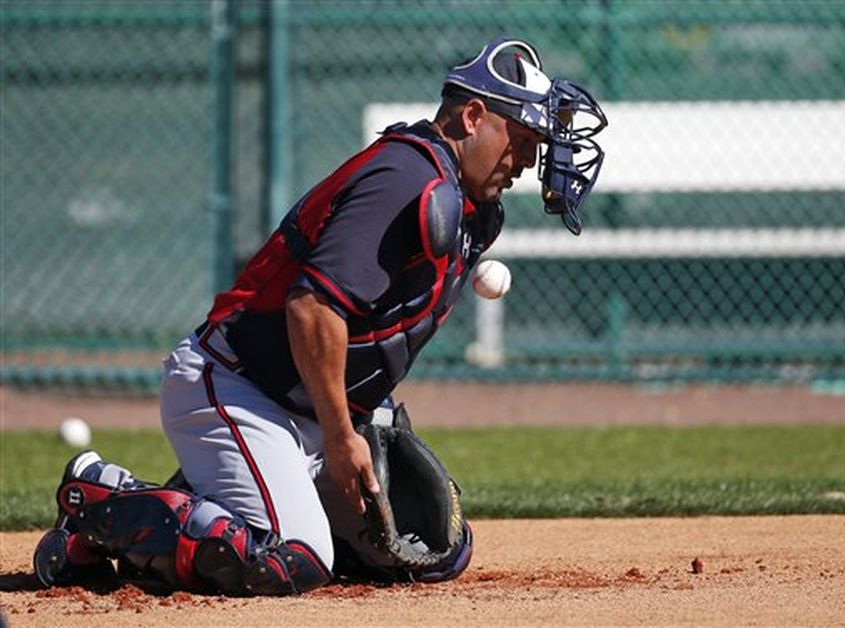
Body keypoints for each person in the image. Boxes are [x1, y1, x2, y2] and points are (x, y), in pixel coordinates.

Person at [32, 37, 607, 595]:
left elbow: (377, 330)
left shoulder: (470, 209)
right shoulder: (406, 180)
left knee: (428, 549)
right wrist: (339, 437)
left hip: (301, 406)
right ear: (473, 116)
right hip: (236, 387)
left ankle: (202, 503)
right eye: (523, 137)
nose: (530, 160)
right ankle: (100, 501)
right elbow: (312, 308)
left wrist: (369, 422)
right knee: (293, 558)